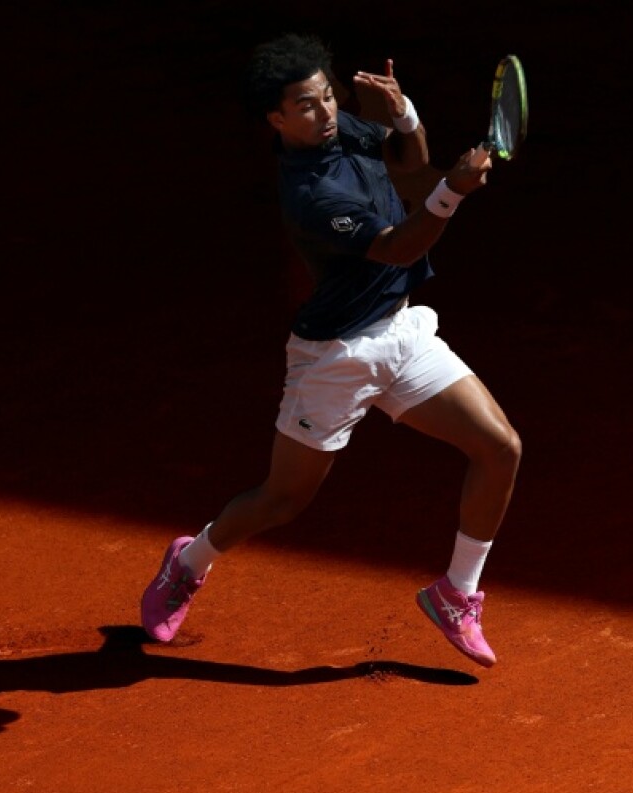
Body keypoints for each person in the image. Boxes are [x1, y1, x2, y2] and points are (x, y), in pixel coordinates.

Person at [139, 33, 521, 668]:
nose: (324, 113)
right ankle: (191, 560)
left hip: (400, 331)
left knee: (500, 447)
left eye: (326, 96)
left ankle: (456, 593)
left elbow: (408, 166)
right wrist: (452, 193)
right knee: (282, 501)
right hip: (336, 356)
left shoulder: (337, 127)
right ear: (276, 118)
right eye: (306, 106)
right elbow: (400, 243)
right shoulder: (311, 192)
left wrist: (404, 114)